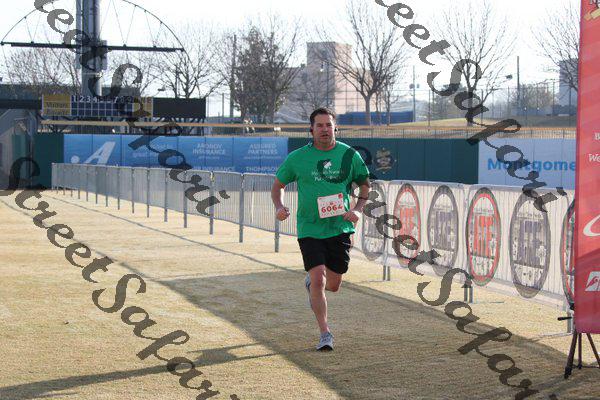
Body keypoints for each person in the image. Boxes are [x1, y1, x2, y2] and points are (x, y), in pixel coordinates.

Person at [271, 108, 371, 351]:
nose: (325, 129)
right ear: (311, 129)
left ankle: (314, 283)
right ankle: (325, 333)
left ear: (335, 128)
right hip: (310, 228)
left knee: (333, 284)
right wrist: (280, 206)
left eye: (328, 125)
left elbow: (365, 185)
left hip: (340, 227)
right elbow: (278, 185)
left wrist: (358, 209)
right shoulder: (298, 158)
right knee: (318, 279)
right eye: (320, 125)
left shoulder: (349, 155)